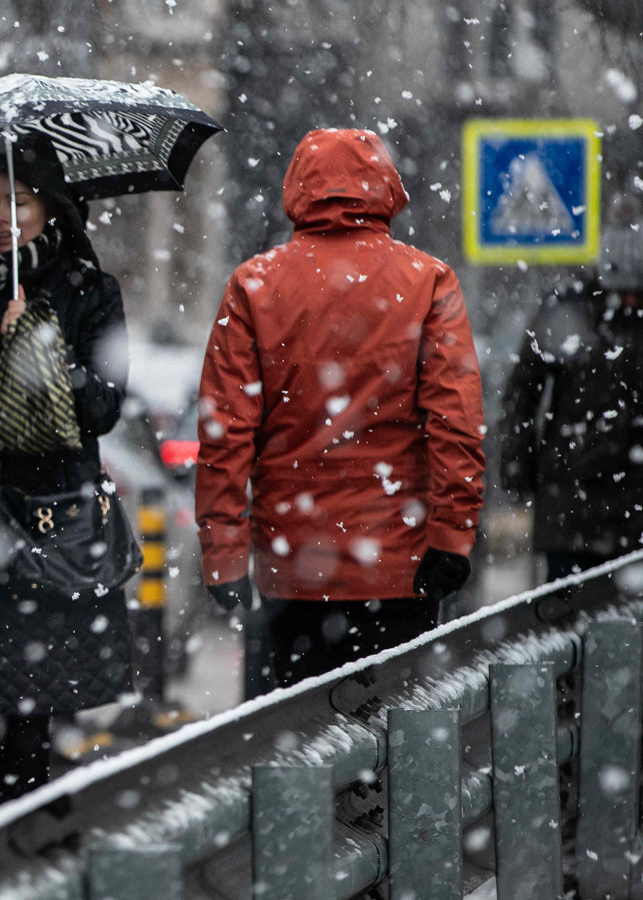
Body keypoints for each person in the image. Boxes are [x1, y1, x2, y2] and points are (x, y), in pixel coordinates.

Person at [196, 128, 485, 697]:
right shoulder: (428, 282)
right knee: (396, 752)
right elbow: (455, 424)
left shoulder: (253, 287)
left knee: (301, 752)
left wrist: (225, 557)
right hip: (399, 565)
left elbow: (224, 434)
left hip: (293, 568)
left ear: (297, 189)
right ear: (385, 187)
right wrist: (451, 538)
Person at [0, 141, 131, 816]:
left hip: (47, 520)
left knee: (32, 702)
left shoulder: (89, 292)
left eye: (18, 201)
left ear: (49, 207)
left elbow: (102, 406)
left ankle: (17, 837)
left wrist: (42, 349)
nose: (1, 217)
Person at [501, 218, 643, 579]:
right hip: (573, 506)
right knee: (570, 620)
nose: (629, 300)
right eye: (623, 291)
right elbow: (522, 392)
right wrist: (517, 467)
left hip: (604, 507)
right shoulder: (568, 310)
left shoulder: (568, 309)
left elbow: (522, 393)